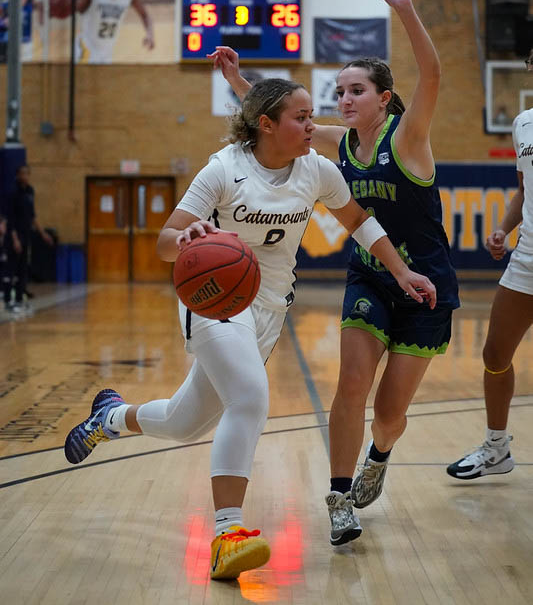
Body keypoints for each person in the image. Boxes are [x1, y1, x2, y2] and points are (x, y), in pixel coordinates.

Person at [64, 70, 436, 580]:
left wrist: (401, 270)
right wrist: (188, 237)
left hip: (268, 308)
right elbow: (164, 244)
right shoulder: (222, 170)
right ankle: (226, 535)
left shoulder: (317, 170)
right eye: (301, 118)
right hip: (215, 299)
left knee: (184, 420)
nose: (312, 125)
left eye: (311, 116)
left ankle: (109, 418)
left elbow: (360, 223)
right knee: (251, 398)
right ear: (266, 124)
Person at [219, 0, 459, 547]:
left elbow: (432, 73)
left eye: (356, 91)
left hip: (424, 285)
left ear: (384, 99)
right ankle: (339, 495)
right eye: (340, 91)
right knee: (351, 384)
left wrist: (404, 7)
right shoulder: (336, 141)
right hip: (372, 277)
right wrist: (236, 80)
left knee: (390, 412)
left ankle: (380, 454)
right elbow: (275, 123)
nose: (344, 99)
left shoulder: (410, 136)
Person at [447, 49, 533, 481]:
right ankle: (497, 449)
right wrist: (503, 228)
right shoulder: (524, 124)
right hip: (527, 259)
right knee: (495, 353)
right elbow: (524, 190)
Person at [8, 165, 54, 313]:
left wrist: (43, 234)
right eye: (23, 174)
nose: (25, 176)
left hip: (27, 234)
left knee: (23, 268)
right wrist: (14, 239)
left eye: (27, 174)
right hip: (15, 234)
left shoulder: (30, 191)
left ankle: (20, 299)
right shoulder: (13, 192)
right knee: (13, 268)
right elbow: (10, 219)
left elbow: (33, 216)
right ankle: (10, 300)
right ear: (18, 175)